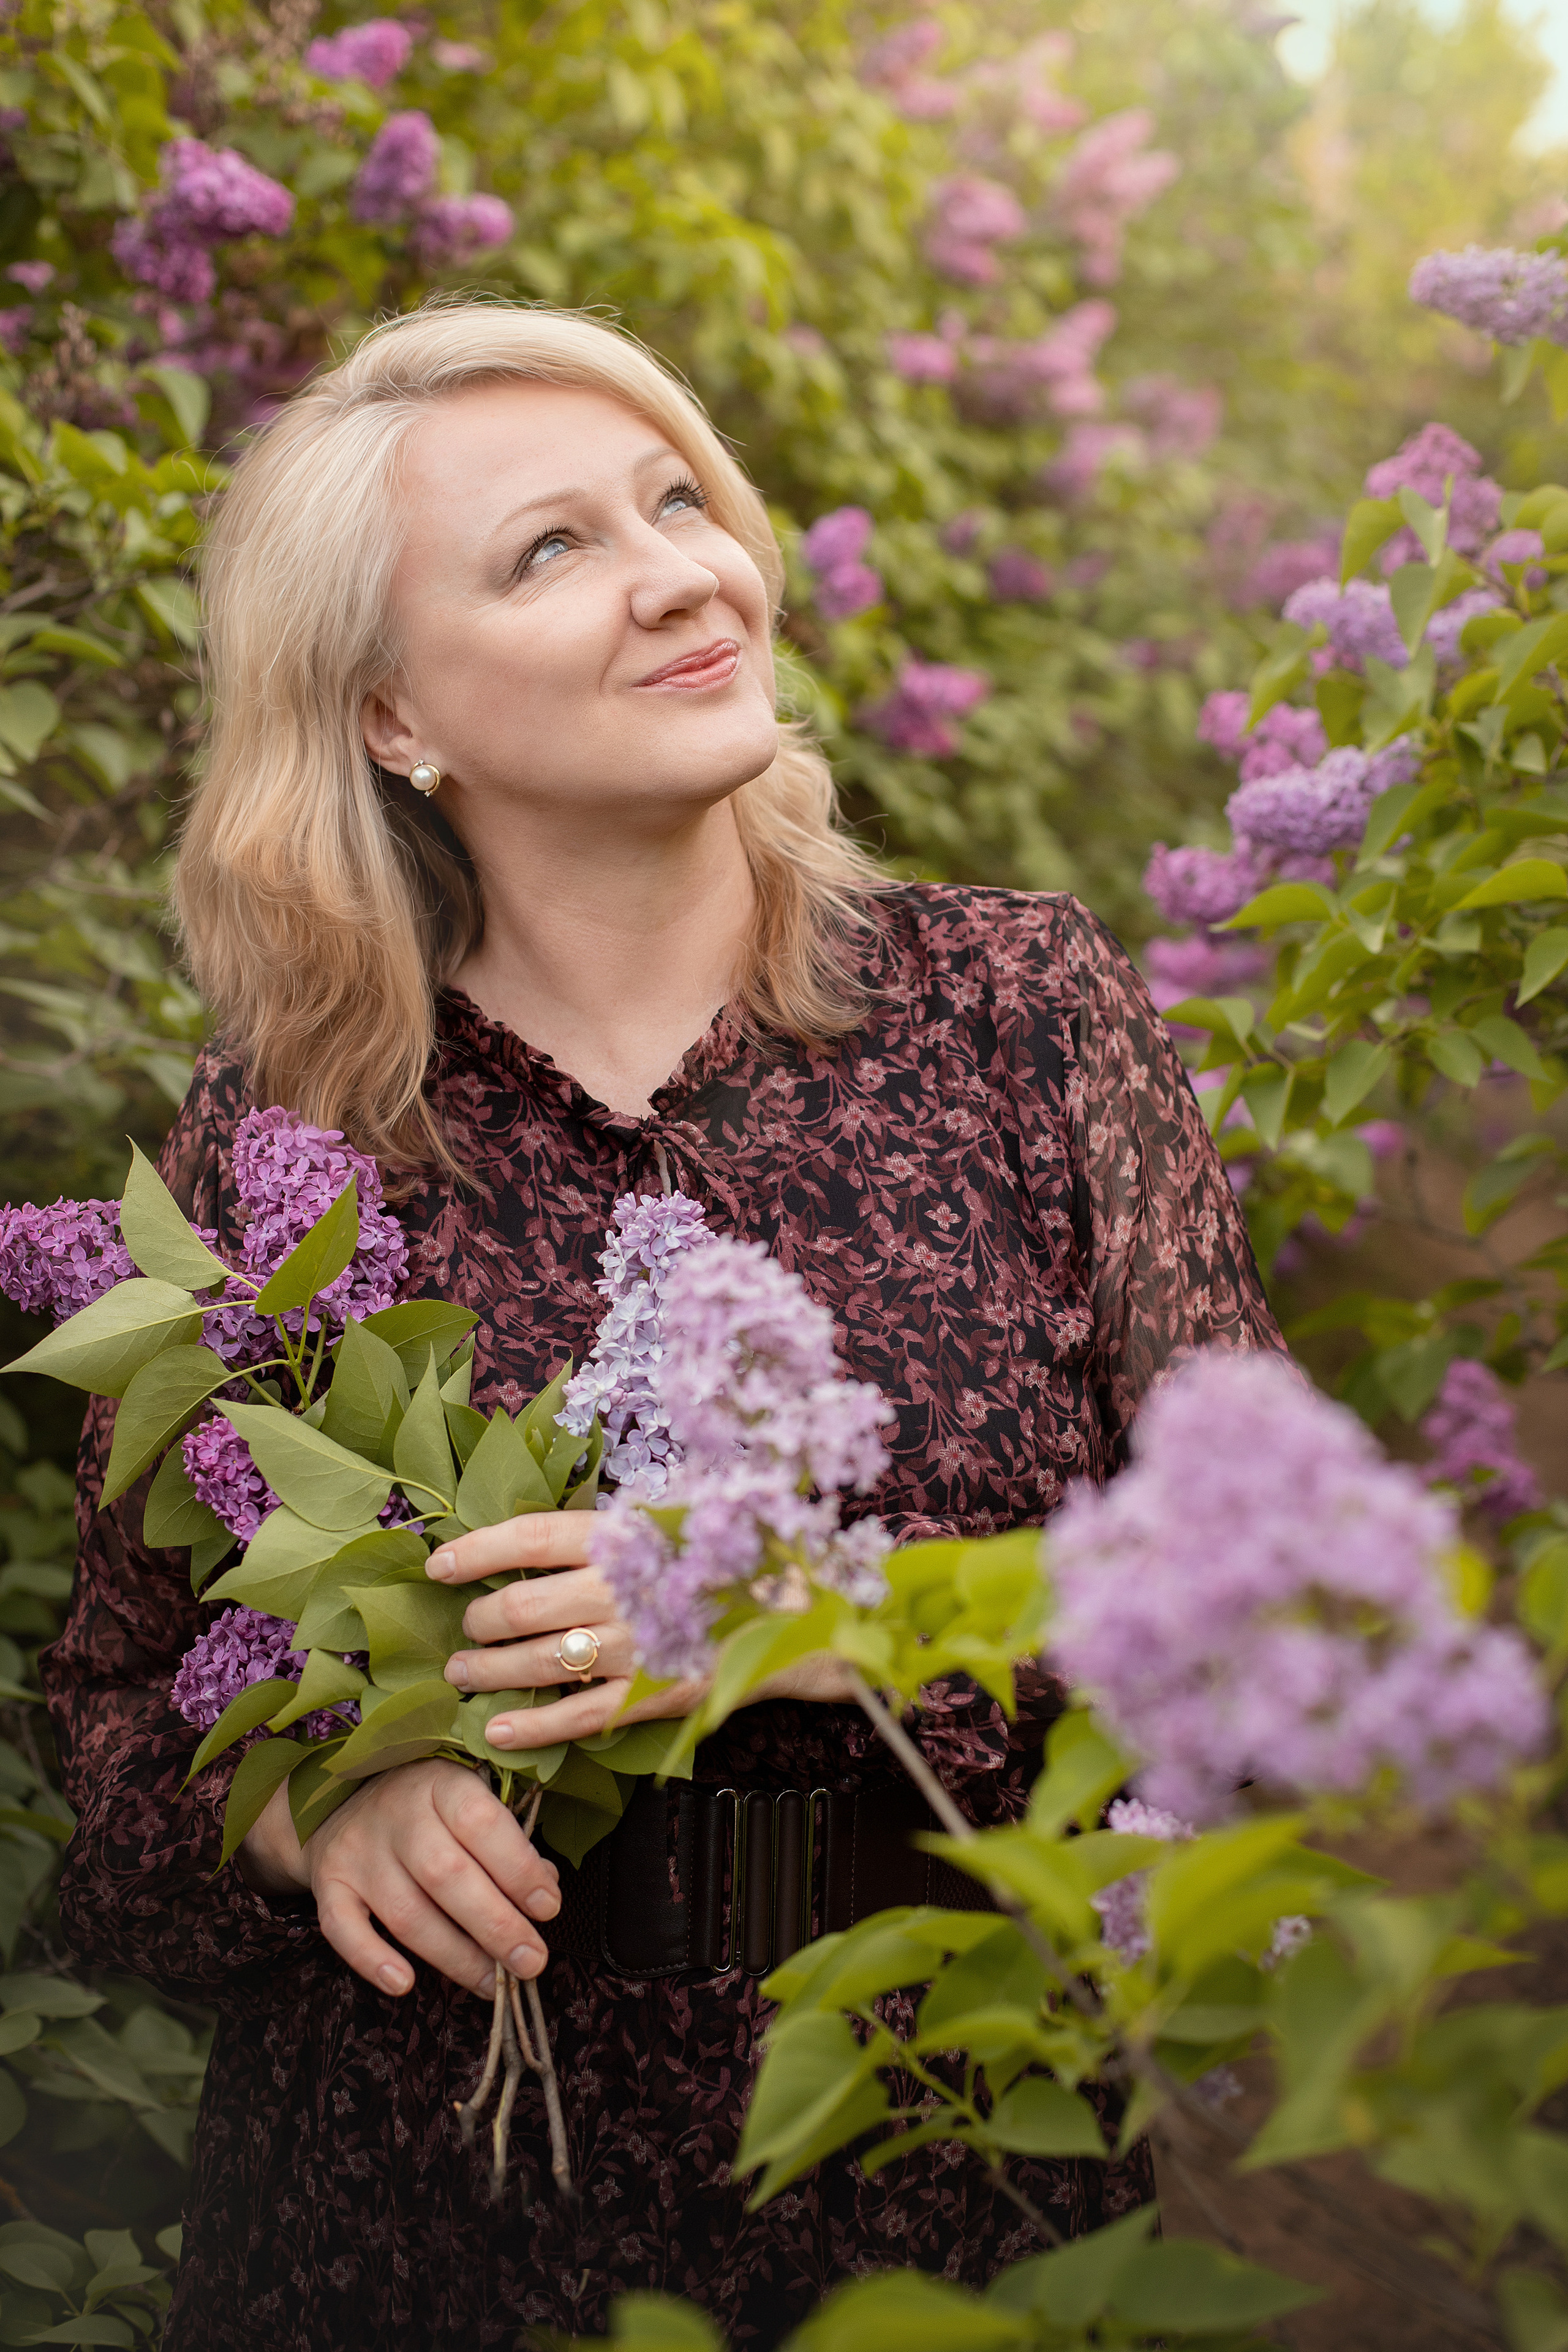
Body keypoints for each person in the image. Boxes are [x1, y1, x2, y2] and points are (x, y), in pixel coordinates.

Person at [43, 301, 1281, 2351]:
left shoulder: (1015, 1015)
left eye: (678, 500)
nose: (682, 573)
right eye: (553, 549)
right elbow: (113, 1722)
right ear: (386, 717)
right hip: (420, 2211)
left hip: (946, 2151)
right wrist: (310, 1810)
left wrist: (804, 1605)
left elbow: (1270, 1594)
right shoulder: (295, 1137)